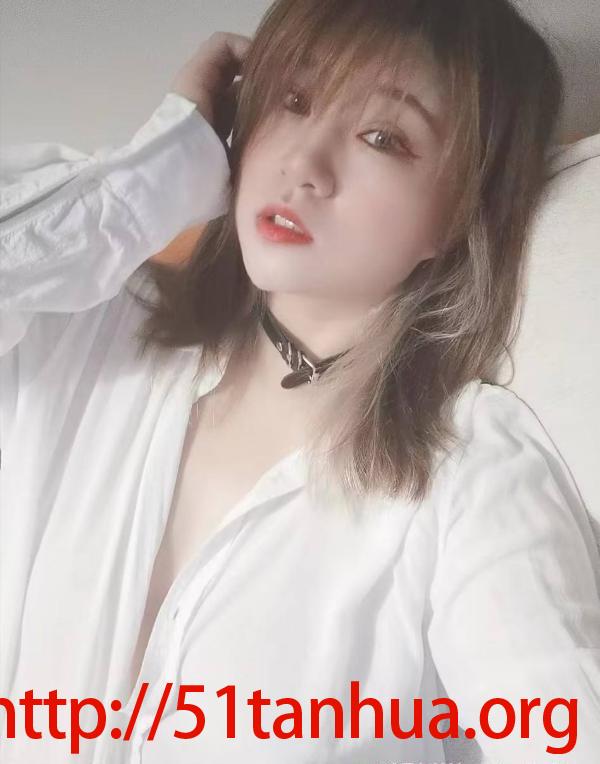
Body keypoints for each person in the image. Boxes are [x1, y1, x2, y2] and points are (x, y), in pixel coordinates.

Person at [1, 1, 599, 762]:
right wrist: (147, 181)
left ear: (456, 213)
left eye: (383, 138)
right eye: (294, 100)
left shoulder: (470, 470)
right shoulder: (88, 332)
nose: (304, 165)